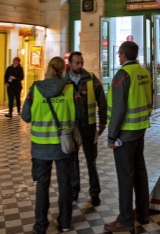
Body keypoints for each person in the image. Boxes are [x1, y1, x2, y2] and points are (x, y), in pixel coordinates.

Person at [22, 57, 78, 233]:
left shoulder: (35, 89)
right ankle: (65, 222)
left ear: (48, 68)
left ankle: (41, 225)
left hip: (40, 146)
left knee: (42, 185)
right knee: (65, 183)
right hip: (64, 144)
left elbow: (25, 116)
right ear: (64, 69)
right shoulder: (70, 88)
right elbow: (81, 113)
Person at [104, 41, 152, 232]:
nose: (118, 56)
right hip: (140, 130)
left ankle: (125, 218)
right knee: (140, 171)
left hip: (124, 134)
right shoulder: (144, 73)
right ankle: (143, 212)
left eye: (119, 53)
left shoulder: (122, 75)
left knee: (125, 175)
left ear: (123, 55)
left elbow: (118, 109)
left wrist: (111, 136)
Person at [64, 51, 107, 206]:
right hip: (71, 128)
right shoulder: (63, 80)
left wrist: (103, 122)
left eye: (81, 63)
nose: (80, 66)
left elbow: (102, 100)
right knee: (73, 161)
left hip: (88, 127)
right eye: (77, 63)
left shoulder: (90, 78)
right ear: (70, 63)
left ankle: (94, 193)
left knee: (91, 161)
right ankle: (75, 191)